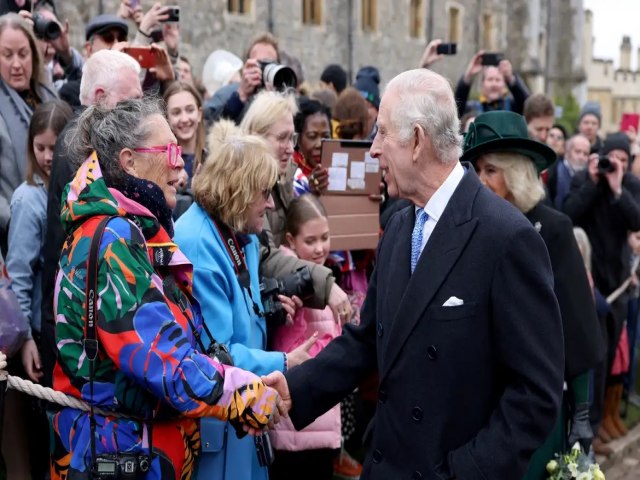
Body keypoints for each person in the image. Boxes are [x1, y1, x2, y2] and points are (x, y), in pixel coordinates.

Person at [264, 68, 564, 480]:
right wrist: (294, 388)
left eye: (382, 133)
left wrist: (464, 471)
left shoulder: (506, 238)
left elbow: (535, 394)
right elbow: (368, 339)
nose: (372, 150)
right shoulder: (401, 227)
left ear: (418, 141)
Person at [50, 97, 279, 479]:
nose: (181, 165)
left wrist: (245, 378)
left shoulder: (130, 231)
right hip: (118, 458)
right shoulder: (114, 240)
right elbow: (165, 361)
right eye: (170, 151)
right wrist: (245, 394)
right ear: (129, 162)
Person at [174, 120, 318, 480]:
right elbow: (215, 353)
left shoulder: (241, 232)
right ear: (238, 190)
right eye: (264, 192)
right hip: (219, 427)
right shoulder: (197, 242)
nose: (270, 204)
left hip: (245, 414)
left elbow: (242, 317)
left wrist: (270, 311)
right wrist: (284, 361)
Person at [463, 110, 604, 479]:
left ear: (514, 173)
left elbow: (578, 326)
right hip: (478, 403)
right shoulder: (468, 230)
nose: (480, 181)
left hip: (534, 405)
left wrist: (583, 411)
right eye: (476, 170)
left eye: (490, 170)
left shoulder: (553, 229)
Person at [40, 49, 144, 389]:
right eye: (131, 102)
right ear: (100, 97)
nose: (139, 113)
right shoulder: (82, 146)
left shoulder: (88, 138)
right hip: (80, 326)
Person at [3, 99, 72, 479]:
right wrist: (27, 338)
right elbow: (19, 277)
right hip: (40, 337)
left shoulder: (69, 194)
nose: (48, 156)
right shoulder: (29, 200)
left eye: (55, 147)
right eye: (40, 147)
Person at [239, 90, 351, 321]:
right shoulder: (243, 187)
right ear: (255, 136)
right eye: (282, 138)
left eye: (292, 138)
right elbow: (264, 257)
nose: (291, 148)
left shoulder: (286, 177)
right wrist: (325, 284)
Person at [563, 132, 640, 449]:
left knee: (610, 357)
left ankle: (598, 425)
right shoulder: (585, 180)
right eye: (612, 159)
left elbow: (636, 221)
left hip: (618, 285)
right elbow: (567, 213)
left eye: (623, 160)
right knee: (592, 357)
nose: (615, 165)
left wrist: (618, 188)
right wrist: (596, 183)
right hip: (590, 287)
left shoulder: (630, 187)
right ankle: (588, 429)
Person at [268, 194, 342, 480]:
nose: (319, 248)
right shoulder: (295, 285)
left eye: (325, 237)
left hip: (317, 422)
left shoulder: (323, 278)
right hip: (297, 428)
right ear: (290, 240)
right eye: (310, 241)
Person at [0, 12, 57, 255]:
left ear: (34, 53)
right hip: (14, 238)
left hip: (57, 228)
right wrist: (17, 222)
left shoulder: (48, 94)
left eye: (23, 54)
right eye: (7, 55)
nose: (16, 64)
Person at [163, 80, 205, 218]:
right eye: (176, 112)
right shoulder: (161, 164)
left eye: (190, 110)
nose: (184, 118)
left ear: (199, 114)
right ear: (167, 119)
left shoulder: (215, 159)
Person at [454, 50, 530, 118]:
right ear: (482, 85)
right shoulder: (471, 109)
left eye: (498, 80)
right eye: (490, 79)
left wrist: (511, 79)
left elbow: (529, 105)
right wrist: (469, 75)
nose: (494, 84)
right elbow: (455, 110)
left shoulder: (514, 107)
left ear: (504, 85)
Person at [292, 97, 332, 196]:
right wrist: (306, 188)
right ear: (298, 139)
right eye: (312, 136)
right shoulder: (287, 172)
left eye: (326, 136)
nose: (319, 144)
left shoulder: (339, 169)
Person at [544, 134, 590, 210]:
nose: (581, 157)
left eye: (585, 154)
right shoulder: (554, 172)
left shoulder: (589, 177)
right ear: (567, 152)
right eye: (578, 152)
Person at [353, 66, 380, 139]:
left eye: (367, 106)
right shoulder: (342, 136)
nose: (363, 112)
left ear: (377, 112)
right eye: (358, 107)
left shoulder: (384, 140)